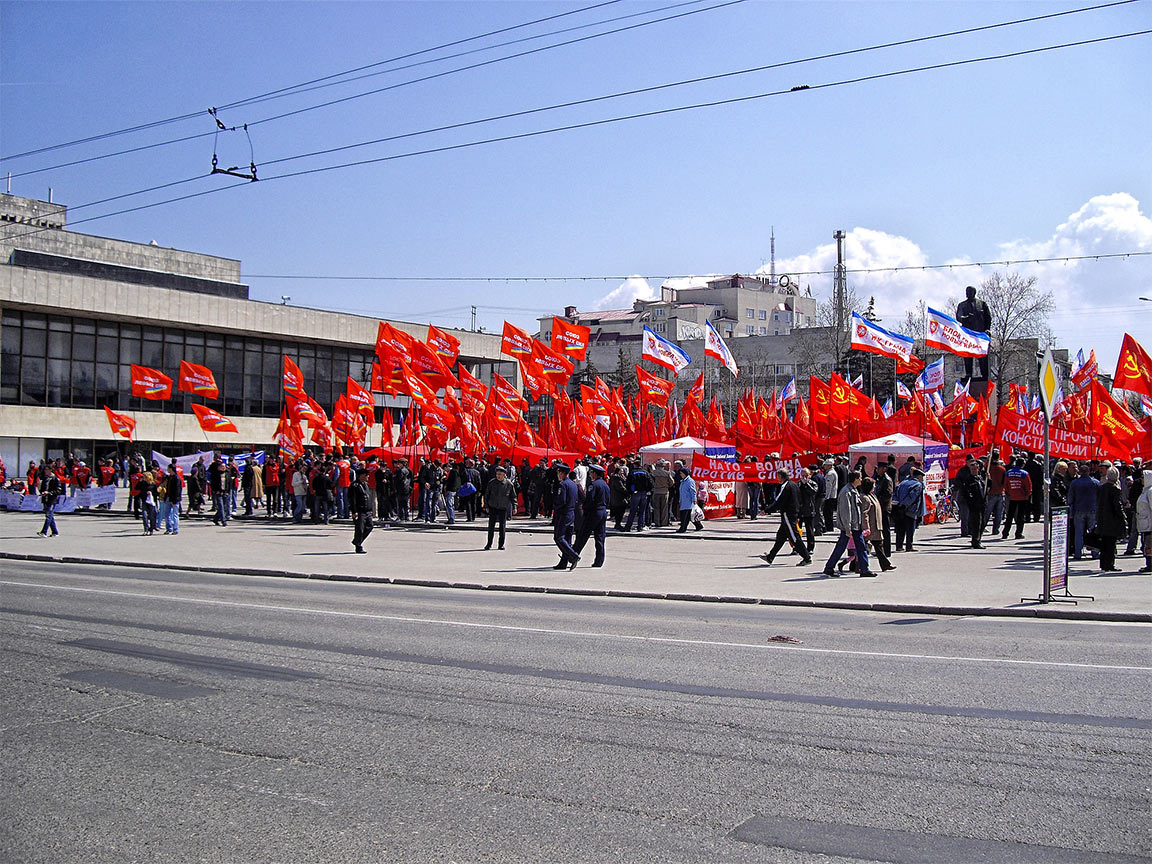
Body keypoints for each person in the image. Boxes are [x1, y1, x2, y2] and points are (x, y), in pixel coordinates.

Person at [823, 471, 875, 577]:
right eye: (860, 477)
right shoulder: (846, 492)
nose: (861, 479)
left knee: (860, 547)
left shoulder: (853, 490)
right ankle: (829, 567)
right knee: (842, 547)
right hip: (851, 526)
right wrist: (848, 528)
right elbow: (846, 511)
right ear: (855, 479)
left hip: (855, 525)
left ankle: (864, 569)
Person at [758, 469, 811, 567]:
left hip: (788, 514)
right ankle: (770, 557)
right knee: (781, 537)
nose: (777, 479)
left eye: (778, 476)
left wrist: (766, 510)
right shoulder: (794, 484)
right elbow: (799, 500)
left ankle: (806, 558)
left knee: (794, 537)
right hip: (792, 513)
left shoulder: (785, 486)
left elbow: (779, 501)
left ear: (782, 477)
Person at [573, 463, 610, 567]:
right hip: (602, 511)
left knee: (583, 535)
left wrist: (585, 510)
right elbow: (608, 499)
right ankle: (599, 561)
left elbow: (589, 500)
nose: (590, 474)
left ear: (595, 474)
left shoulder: (593, 485)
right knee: (600, 537)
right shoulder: (605, 485)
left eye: (591, 472)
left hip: (594, 512)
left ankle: (573, 555)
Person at [955, 285, 992, 380]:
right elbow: (958, 317)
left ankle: (984, 375)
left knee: (982, 356)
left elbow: (988, 317)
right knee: (968, 355)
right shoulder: (962, 305)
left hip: (980, 334)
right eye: (966, 292)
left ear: (974, 293)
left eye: (969, 292)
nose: (967, 294)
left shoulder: (982, 304)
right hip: (968, 335)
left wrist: (987, 329)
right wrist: (966, 318)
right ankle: (968, 374)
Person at [1095, 466, 1126, 573]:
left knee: (1104, 544)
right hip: (1112, 520)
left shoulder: (1101, 488)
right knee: (1111, 544)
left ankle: (1104, 564)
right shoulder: (1115, 489)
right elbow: (1117, 505)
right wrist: (1122, 517)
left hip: (1102, 519)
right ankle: (1110, 564)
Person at [860, 476, 895, 571]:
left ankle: (885, 564)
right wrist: (866, 527)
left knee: (877, 545)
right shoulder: (865, 498)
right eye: (873, 485)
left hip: (876, 525)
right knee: (863, 547)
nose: (875, 487)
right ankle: (854, 564)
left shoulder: (872, 495)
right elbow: (864, 513)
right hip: (871, 526)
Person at [551, 463, 581, 570]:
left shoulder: (562, 484)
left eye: (559, 472)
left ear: (561, 473)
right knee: (567, 539)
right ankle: (563, 562)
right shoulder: (573, 484)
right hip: (571, 513)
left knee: (558, 537)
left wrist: (555, 507)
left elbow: (561, 501)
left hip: (563, 513)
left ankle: (573, 556)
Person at [1067, 463, 1099, 559]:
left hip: (1079, 510)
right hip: (1093, 509)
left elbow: (1070, 498)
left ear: (1080, 472)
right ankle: (1095, 553)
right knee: (1093, 532)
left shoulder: (1075, 483)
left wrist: (1070, 506)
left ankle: (1078, 553)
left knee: (1079, 532)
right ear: (1088, 472)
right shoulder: (1096, 482)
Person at [892, 468, 927, 552]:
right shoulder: (917, 485)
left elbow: (895, 494)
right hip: (910, 510)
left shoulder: (903, 483)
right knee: (910, 529)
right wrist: (904, 505)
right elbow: (912, 497)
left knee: (900, 529)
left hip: (899, 509)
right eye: (922, 478)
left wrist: (899, 505)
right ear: (919, 477)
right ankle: (909, 546)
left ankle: (899, 546)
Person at [483, 465, 515, 550]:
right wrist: (486, 506)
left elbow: (513, 496)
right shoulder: (492, 483)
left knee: (502, 527)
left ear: (504, 474)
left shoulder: (508, 484)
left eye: (500, 474)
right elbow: (486, 495)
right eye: (497, 474)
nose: (498, 476)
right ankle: (489, 544)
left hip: (503, 507)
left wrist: (515, 507)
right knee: (491, 527)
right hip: (493, 506)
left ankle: (501, 544)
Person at [1001, 457, 1032, 540]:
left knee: (1009, 516)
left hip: (1012, 496)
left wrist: (1010, 492)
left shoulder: (1009, 472)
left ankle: (1005, 533)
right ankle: (1018, 533)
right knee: (1020, 516)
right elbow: (1028, 486)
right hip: (1022, 497)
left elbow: (1006, 484)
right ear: (1023, 464)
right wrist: (1027, 494)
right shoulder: (1024, 473)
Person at [961, 460, 987, 549]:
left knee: (983, 522)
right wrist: (971, 502)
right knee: (976, 524)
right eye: (972, 469)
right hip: (974, 505)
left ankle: (979, 539)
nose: (974, 471)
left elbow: (987, 488)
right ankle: (975, 541)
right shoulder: (969, 480)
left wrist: (989, 479)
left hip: (982, 503)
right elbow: (965, 493)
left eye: (975, 469)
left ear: (978, 469)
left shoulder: (980, 478)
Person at [36, 462, 64, 538]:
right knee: (50, 515)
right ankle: (55, 532)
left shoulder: (55, 479)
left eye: (47, 469)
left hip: (52, 499)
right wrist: (42, 492)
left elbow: (58, 490)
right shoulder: (45, 478)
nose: (45, 471)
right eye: (45, 469)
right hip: (46, 499)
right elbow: (42, 488)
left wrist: (49, 493)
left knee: (48, 515)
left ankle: (44, 532)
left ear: (51, 470)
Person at [623, 458, 651, 532]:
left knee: (633, 511)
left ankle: (628, 527)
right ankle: (640, 526)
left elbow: (628, 483)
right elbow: (651, 483)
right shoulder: (645, 473)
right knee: (642, 511)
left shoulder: (632, 473)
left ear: (635, 465)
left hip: (635, 493)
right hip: (644, 493)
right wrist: (647, 490)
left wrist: (629, 492)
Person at [350, 467, 373, 554]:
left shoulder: (366, 484)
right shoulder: (354, 486)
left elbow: (368, 496)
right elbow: (353, 499)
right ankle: (358, 546)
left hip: (367, 510)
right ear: (361, 476)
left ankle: (357, 541)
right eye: (366, 475)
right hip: (360, 510)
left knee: (370, 526)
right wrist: (354, 511)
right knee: (359, 528)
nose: (368, 477)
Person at [796, 467, 818, 556]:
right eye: (802, 475)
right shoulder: (798, 484)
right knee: (797, 530)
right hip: (799, 511)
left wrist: (806, 484)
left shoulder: (813, 483)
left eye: (806, 475)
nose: (804, 477)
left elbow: (813, 492)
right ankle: (797, 547)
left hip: (809, 510)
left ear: (809, 475)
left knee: (810, 531)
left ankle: (810, 548)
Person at [1135, 468, 1152, 573]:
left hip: (1149, 523)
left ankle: (1150, 565)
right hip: (1144, 523)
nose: (1141, 479)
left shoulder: (1150, 491)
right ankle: (1148, 563)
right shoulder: (1145, 490)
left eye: (1143, 477)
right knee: (1146, 545)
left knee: (1149, 545)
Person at [650, 459, 673, 528]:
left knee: (656, 508)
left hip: (656, 491)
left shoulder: (653, 473)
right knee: (664, 508)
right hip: (665, 491)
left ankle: (657, 522)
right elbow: (672, 482)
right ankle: (664, 522)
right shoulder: (667, 473)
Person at [162, 461, 183, 534]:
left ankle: (175, 529)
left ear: (171, 469)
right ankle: (169, 528)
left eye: (168, 468)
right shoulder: (169, 477)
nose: (167, 470)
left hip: (174, 499)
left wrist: (175, 500)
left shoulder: (177, 478)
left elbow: (178, 490)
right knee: (166, 514)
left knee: (175, 514)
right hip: (168, 497)